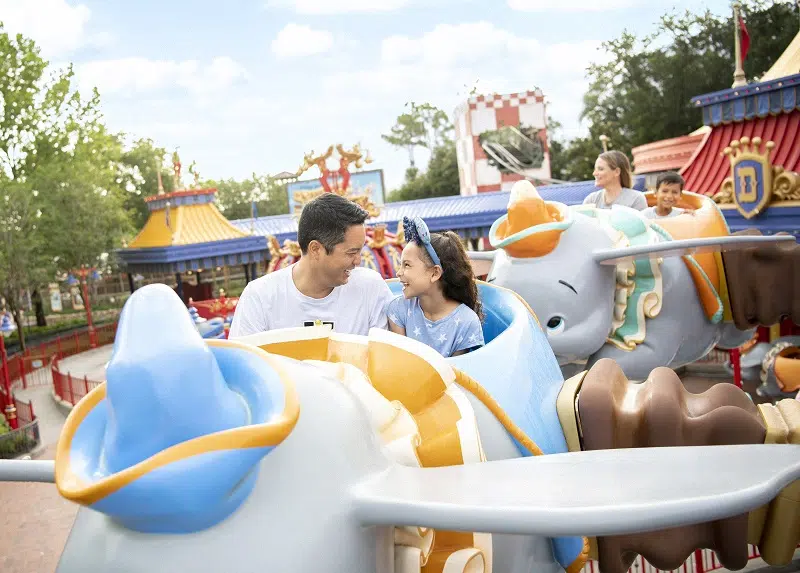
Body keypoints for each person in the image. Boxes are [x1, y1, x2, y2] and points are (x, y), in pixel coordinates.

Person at [228, 193, 394, 337]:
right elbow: (244, 364)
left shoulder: (371, 289)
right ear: (315, 249)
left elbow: (389, 359)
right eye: (351, 253)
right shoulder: (259, 297)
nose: (358, 261)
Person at [387, 216, 484, 357]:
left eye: (406, 265)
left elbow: (457, 373)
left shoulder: (466, 322)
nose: (398, 273)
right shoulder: (398, 309)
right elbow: (400, 361)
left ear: (435, 273)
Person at [582, 150, 647, 210]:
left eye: (600, 169)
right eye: (595, 169)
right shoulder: (591, 200)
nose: (594, 173)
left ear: (617, 172)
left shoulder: (636, 199)